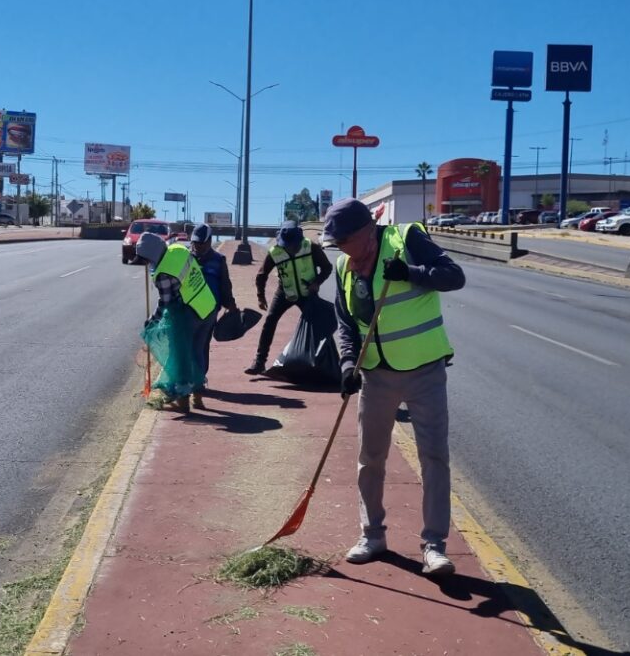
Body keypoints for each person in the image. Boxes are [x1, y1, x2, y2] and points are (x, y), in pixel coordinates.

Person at [323, 198, 465, 576]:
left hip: (425, 371)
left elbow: (454, 276)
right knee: (371, 459)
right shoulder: (343, 266)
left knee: (434, 458)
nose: (341, 250)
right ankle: (372, 534)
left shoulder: (408, 239)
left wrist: (411, 272)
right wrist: (348, 363)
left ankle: (434, 546)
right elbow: (346, 324)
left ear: (367, 231)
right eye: (336, 243)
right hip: (376, 376)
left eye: (344, 241)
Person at [136, 232, 219, 412]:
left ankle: (183, 400)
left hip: (189, 314)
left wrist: (152, 321)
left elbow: (166, 302)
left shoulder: (163, 273)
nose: (146, 263)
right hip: (208, 306)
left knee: (180, 356)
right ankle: (198, 397)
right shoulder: (179, 249)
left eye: (146, 259)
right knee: (197, 354)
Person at [244, 220, 334, 375]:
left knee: (317, 326)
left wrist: (317, 282)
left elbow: (327, 268)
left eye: (294, 245)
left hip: (308, 293)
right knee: (270, 321)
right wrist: (261, 297)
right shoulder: (275, 252)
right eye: (288, 245)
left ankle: (322, 363)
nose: (291, 248)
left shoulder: (311, 247)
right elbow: (261, 275)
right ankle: (259, 361)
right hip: (285, 292)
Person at [189, 224, 240, 407]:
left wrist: (231, 304)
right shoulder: (187, 258)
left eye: (202, 243)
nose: (198, 246)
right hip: (188, 311)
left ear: (210, 241)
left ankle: (198, 385)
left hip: (209, 312)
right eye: (195, 243)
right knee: (189, 348)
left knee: (201, 347)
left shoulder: (218, 260)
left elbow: (225, 285)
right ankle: (192, 386)